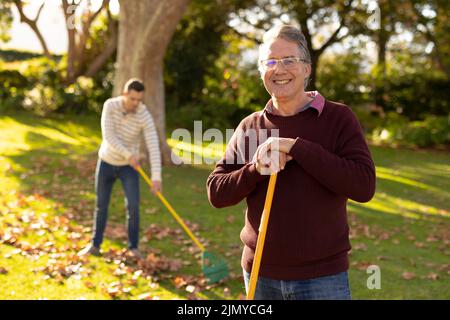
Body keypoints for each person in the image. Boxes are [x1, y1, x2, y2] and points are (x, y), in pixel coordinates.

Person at [206, 25, 376, 300]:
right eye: (270, 62)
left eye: (289, 61)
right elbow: (217, 192)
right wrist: (255, 170)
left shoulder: (338, 118)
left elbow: (363, 186)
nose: (279, 69)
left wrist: (298, 148)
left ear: (307, 69)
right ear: (262, 71)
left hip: (322, 278)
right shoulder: (251, 126)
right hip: (259, 273)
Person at [78, 78, 162, 259]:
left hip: (128, 168)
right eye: (133, 99)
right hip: (107, 162)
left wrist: (156, 177)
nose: (136, 103)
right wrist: (128, 154)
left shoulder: (143, 114)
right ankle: (95, 245)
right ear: (124, 94)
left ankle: (133, 248)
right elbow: (108, 136)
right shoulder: (110, 106)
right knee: (101, 205)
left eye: (140, 100)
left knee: (133, 206)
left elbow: (153, 144)